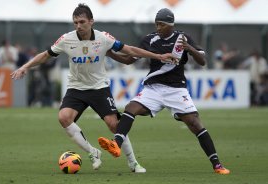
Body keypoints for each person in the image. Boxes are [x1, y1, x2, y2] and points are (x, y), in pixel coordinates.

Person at [11, 4, 174, 173]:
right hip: (76, 88)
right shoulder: (67, 39)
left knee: (114, 125)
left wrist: (158, 56)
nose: (78, 26)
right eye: (75, 22)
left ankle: (133, 163)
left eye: (82, 22)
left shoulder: (103, 38)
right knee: (64, 117)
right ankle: (92, 152)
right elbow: (45, 55)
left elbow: (130, 50)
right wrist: (25, 67)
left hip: (99, 88)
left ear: (91, 21)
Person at [98, 8, 230, 175]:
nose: (158, 27)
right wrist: (109, 53)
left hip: (176, 89)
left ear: (170, 25)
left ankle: (217, 165)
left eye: (161, 24)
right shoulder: (149, 40)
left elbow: (202, 61)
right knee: (131, 108)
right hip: (153, 88)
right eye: (156, 24)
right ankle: (116, 144)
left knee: (195, 123)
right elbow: (128, 60)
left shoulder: (183, 38)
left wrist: (189, 48)